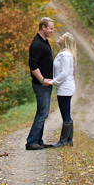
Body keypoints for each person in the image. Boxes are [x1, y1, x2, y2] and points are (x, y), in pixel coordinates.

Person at [26, 17, 55, 150]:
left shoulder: (43, 41)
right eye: (50, 28)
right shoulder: (36, 44)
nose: (52, 31)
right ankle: (31, 142)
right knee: (42, 113)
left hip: (46, 84)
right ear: (43, 27)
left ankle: (38, 140)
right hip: (41, 85)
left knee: (43, 112)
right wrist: (42, 80)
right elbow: (32, 64)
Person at [46, 32, 76, 147]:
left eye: (62, 37)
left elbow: (64, 73)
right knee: (66, 114)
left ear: (65, 41)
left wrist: (52, 82)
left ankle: (63, 142)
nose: (59, 37)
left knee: (65, 114)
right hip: (64, 87)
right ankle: (68, 141)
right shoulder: (64, 54)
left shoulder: (66, 55)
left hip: (65, 88)